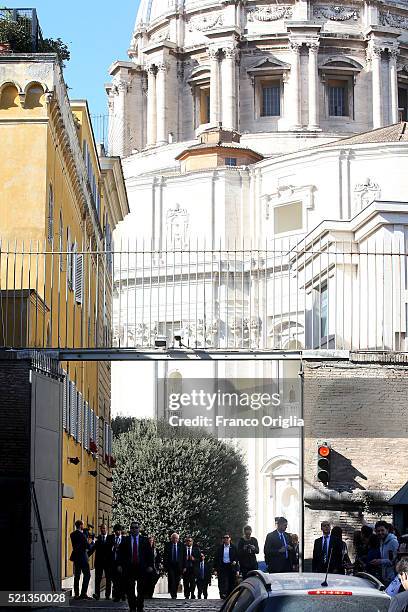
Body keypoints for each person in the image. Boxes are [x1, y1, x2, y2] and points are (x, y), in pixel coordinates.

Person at [117, 521, 154, 612]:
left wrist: (150, 565)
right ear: (130, 529)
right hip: (129, 568)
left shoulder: (144, 540)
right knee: (130, 589)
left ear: (139, 529)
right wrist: (119, 565)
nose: (134, 529)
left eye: (136, 528)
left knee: (141, 589)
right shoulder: (125, 540)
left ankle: (140, 607)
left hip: (141, 567)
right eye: (132, 528)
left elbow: (149, 554)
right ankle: (132, 607)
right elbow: (120, 554)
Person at [70, 519, 95, 600]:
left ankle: (76, 594)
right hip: (83, 558)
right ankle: (83, 593)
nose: (83, 526)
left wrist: (85, 533)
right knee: (87, 575)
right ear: (80, 525)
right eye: (82, 525)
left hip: (76, 557)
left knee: (77, 576)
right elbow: (88, 546)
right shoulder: (82, 535)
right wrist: (93, 542)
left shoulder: (72, 534)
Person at [369, 520, 399, 585]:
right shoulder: (382, 541)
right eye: (378, 531)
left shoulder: (393, 542)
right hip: (385, 577)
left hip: (392, 578)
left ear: (387, 530)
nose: (380, 532)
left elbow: (394, 561)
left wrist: (380, 561)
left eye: (382, 530)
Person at [93, 523, 114, 600]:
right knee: (97, 579)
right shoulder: (97, 539)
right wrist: (86, 555)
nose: (102, 530)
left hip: (108, 563)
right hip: (99, 562)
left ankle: (107, 595)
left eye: (104, 528)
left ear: (107, 529)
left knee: (108, 579)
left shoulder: (111, 538)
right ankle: (97, 594)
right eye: (101, 528)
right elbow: (93, 549)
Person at [215, 534, 239, 599]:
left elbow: (237, 556)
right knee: (222, 581)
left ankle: (230, 596)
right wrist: (215, 569)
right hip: (223, 566)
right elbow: (216, 558)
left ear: (230, 539)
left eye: (227, 538)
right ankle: (223, 595)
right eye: (224, 538)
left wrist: (235, 561)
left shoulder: (234, 547)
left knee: (232, 581)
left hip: (231, 566)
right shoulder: (220, 548)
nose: (226, 539)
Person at [163, 533, 184, 599]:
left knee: (177, 580)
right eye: (173, 538)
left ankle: (174, 591)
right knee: (171, 580)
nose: (175, 539)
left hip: (179, 566)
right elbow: (165, 556)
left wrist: (184, 566)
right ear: (171, 538)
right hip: (170, 565)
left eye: (176, 538)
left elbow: (184, 557)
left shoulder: (182, 546)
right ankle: (173, 594)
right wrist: (165, 566)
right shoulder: (167, 545)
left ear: (178, 539)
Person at [112, 524, 126, 602]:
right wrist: (114, 547)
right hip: (113, 562)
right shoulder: (111, 539)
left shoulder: (125, 539)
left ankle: (123, 595)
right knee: (115, 581)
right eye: (116, 530)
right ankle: (117, 596)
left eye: (119, 530)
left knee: (122, 580)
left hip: (122, 563)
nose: (117, 532)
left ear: (121, 531)